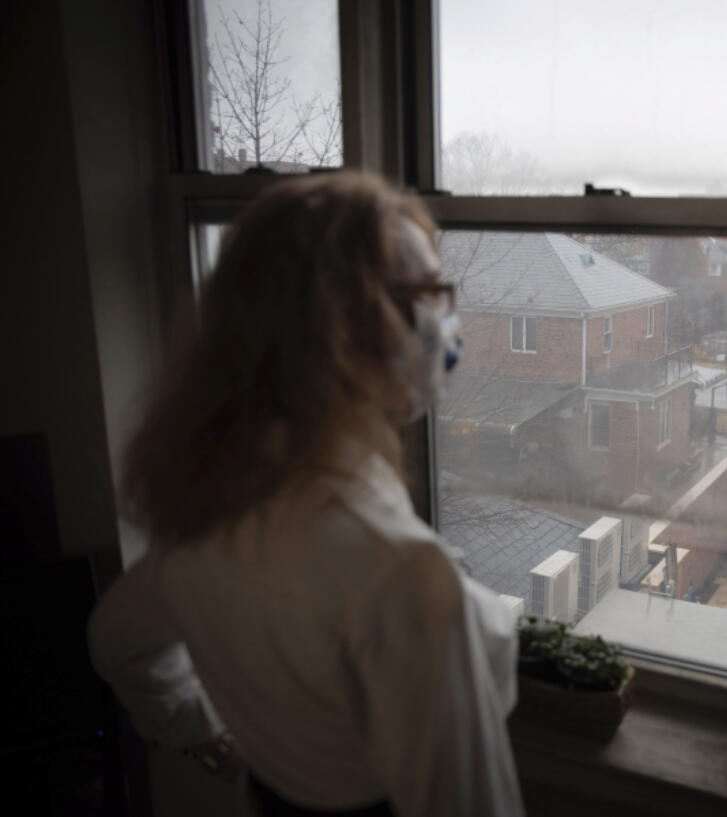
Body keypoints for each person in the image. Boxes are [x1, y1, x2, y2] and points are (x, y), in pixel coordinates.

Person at [88, 171, 524, 816]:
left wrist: (207, 734)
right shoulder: (395, 568)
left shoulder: (212, 509)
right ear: (339, 328)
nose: (447, 325)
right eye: (425, 296)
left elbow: (117, 639)